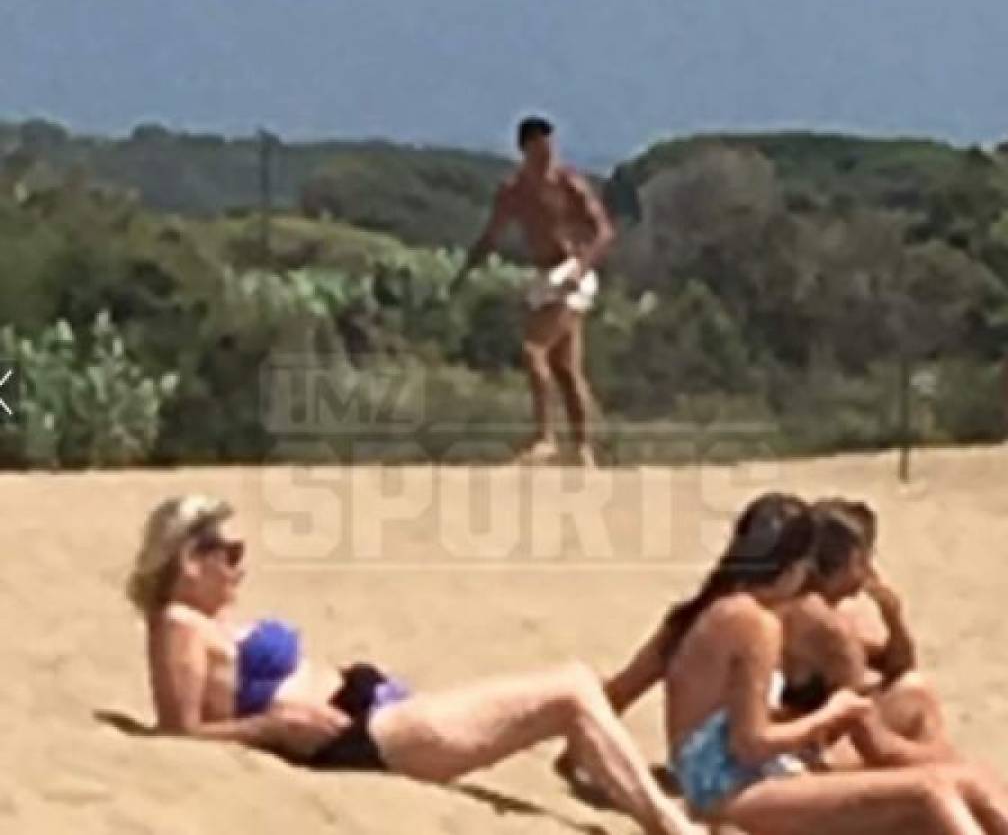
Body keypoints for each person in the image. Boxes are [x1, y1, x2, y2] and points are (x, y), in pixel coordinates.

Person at [126, 495, 701, 835]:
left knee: (568, 696)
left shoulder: (209, 620)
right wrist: (271, 727)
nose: (240, 566)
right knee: (569, 689)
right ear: (190, 558)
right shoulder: (178, 623)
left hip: (370, 715)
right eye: (230, 554)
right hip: (354, 738)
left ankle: (659, 816)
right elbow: (177, 733)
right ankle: (672, 827)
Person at [563, 493, 1008, 834]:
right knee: (934, 788)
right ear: (794, 566)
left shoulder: (718, 609)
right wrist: (830, 716)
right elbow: (751, 743)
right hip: (731, 789)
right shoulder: (757, 624)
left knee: (959, 783)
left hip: (731, 777)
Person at [450, 115, 615, 467]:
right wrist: (465, 271)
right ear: (526, 149)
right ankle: (583, 449)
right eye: (541, 147)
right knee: (565, 367)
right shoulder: (514, 192)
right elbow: (491, 234)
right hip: (544, 276)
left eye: (551, 146)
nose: (549, 154)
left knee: (533, 349)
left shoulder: (569, 184)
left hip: (572, 271)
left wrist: (581, 267)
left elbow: (602, 231)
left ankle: (545, 438)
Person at [779, 498, 955, 769]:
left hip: (799, 735)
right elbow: (862, 727)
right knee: (917, 699)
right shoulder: (827, 625)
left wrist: (892, 616)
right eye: (863, 560)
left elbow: (897, 667)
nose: (869, 572)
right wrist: (937, 757)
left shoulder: (798, 603)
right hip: (806, 755)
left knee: (913, 693)